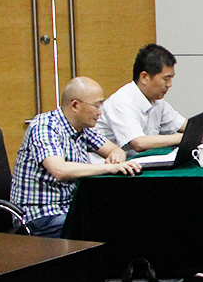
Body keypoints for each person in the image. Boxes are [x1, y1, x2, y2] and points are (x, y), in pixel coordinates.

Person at [10, 77, 142, 237]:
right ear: (75, 106)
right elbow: (59, 170)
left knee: (123, 215)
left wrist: (116, 157)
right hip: (40, 217)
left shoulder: (82, 128)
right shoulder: (45, 126)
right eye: (96, 105)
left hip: (69, 208)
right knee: (104, 227)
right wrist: (110, 167)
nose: (100, 112)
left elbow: (114, 149)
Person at [96, 43, 187, 153]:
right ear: (144, 77)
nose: (169, 84)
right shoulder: (121, 101)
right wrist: (181, 138)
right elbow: (138, 143)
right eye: (166, 79)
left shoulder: (156, 101)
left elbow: (183, 125)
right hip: (109, 162)